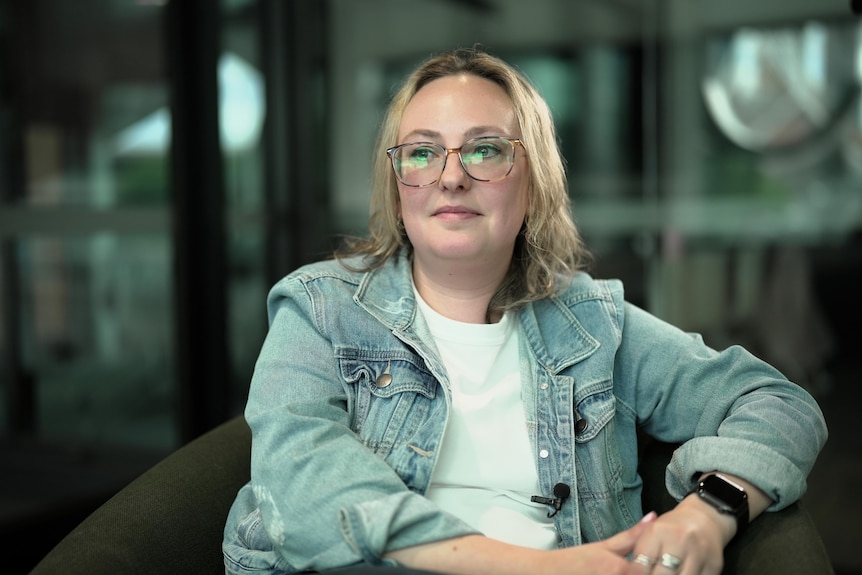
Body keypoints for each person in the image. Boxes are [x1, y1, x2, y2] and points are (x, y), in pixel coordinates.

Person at [222, 47, 827, 575]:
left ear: (532, 182)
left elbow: (777, 403)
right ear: (397, 183)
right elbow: (302, 482)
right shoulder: (318, 308)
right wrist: (543, 568)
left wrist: (710, 511)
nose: (451, 177)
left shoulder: (593, 324)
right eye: (422, 153)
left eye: (485, 150)